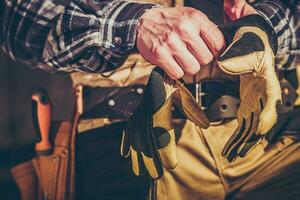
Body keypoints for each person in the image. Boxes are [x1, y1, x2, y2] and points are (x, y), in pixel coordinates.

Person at [0, 0, 299, 199]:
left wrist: (262, 28)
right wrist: (133, 26)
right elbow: (18, 22)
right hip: (136, 142)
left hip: (271, 131)